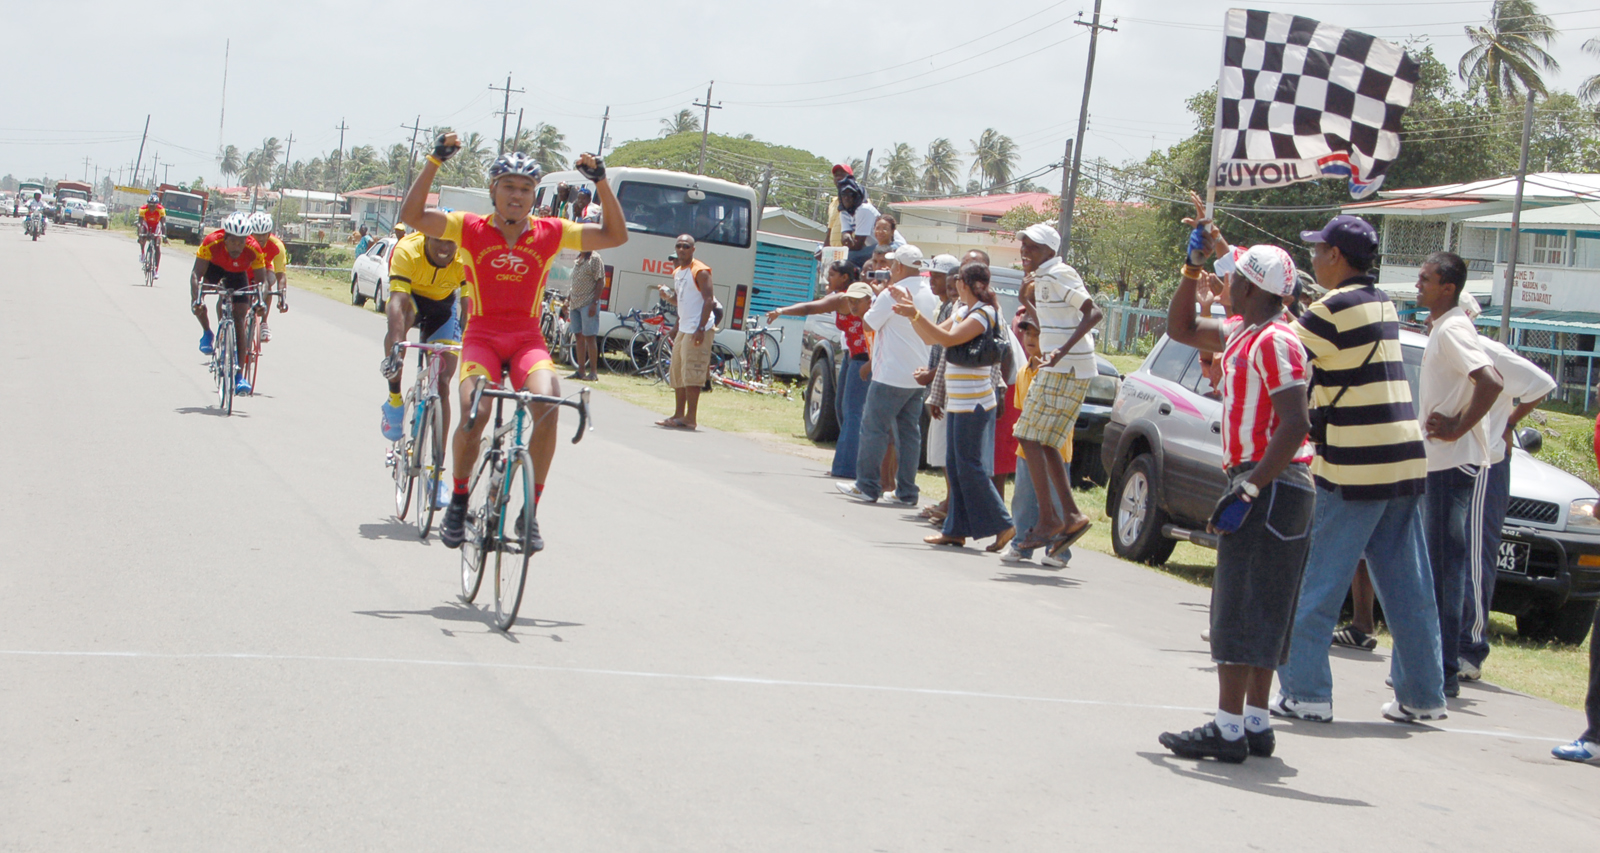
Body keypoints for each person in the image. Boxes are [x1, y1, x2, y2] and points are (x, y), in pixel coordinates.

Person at [400, 133, 628, 550]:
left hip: (527, 340)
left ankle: (530, 513)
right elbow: (412, 215)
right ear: (493, 190)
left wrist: (601, 181)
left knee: (549, 402)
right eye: (509, 187)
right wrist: (435, 159)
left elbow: (615, 235)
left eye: (525, 189)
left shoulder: (551, 232)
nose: (517, 196)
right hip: (482, 337)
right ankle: (459, 498)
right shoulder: (467, 227)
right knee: (475, 411)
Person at [1264, 211, 1448, 725]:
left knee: (1316, 581)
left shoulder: (1334, 308)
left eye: (1318, 251)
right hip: (1403, 457)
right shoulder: (1379, 302)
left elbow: (1279, 343)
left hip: (1354, 463)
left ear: (1336, 257)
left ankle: (1306, 692)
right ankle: (1423, 695)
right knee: (1408, 585)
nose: (1313, 258)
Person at [1158, 236, 1314, 763]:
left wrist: (1249, 489)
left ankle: (1227, 730)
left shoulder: (1275, 340)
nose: (1224, 286)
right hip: (1269, 483)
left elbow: (1295, 423)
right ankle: (1254, 720)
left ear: (1248, 285)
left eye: (1232, 278)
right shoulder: (1245, 332)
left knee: (1241, 606)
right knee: (1263, 604)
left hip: (1269, 482)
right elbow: (1179, 329)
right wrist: (1190, 265)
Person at [1415, 251, 1504, 698]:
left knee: (1444, 570)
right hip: (1440, 464)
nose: (1419, 286)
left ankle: (1444, 670)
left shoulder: (1453, 328)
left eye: (1426, 279)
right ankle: (1438, 666)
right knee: (1437, 567)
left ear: (1447, 288)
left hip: (1453, 466)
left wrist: (1457, 426)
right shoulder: (1441, 328)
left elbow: (1490, 380)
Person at [1454, 291, 1554, 681]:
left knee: (1475, 556)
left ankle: (1470, 647)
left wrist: (1509, 423)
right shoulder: (1441, 348)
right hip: (1447, 463)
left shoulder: (1488, 352)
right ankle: (1445, 642)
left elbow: (1542, 383)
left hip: (1483, 463)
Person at [898, 262, 1015, 548]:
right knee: (956, 463)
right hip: (958, 400)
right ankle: (956, 529)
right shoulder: (963, 310)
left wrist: (914, 313)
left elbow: (950, 338)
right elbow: (932, 337)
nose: (954, 285)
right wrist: (912, 315)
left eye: (958, 280)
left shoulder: (985, 314)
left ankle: (1004, 523)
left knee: (970, 465)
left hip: (975, 402)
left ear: (967, 284)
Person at [1013, 223, 1101, 560]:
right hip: (1061, 364)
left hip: (1067, 366)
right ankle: (1068, 516)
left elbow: (1093, 313)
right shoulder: (1045, 277)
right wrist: (1025, 301)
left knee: (1028, 434)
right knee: (1042, 439)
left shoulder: (1059, 273)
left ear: (1049, 250)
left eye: (1032, 247)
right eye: (1023, 245)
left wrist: (1062, 351)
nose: (1025, 251)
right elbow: (1053, 322)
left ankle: (1051, 518)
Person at [837, 245, 939, 505]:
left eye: (893, 265)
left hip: (890, 373)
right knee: (909, 433)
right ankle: (906, 491)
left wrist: (880, 294)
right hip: (918, 373)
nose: (889, 269)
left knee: (874, 428)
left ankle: (867, 485)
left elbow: (869, 323)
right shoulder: (930, 293)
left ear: (901, 268)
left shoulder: (893, 293)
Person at [766, 261, 874, 478]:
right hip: (850, 356)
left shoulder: (853, 299)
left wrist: (781, 310)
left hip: (864, 359)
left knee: (853, 411)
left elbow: (810, 308)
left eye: (832, 275)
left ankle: (847, 468)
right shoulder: (843, 298)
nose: (828, 280)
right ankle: (847, 461)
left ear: (845, 278)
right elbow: (815, 307)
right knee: (842, 408)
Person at [379, 228, 468, 489]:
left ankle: (437, 475)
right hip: (411, 302)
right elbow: (396, 301)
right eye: (437, 239)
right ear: (426, 237)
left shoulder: (464, 255)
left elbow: (469, 304)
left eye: (449, 241)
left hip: (444, 309)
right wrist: (396, 348)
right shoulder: (408, 248)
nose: (444, 247)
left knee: (442, 384)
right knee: (400, 326)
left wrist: (470, 340)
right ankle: (394, 400)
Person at [999, 316, 1070, 567]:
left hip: (1054, 448)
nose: (1030, 340)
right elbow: (1021, 408)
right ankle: (1022, 543)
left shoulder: (1057, 372)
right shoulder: (1023, 372)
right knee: (1023, 498)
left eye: (1037, 335)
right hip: (1027, 448)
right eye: (1027, 334)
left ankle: (1058, 550)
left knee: (1056, 500)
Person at [190, 211, 270, 395]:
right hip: (215, 269)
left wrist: (260, 301)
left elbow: (263, 281)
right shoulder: (211, 242)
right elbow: (196, 274)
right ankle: (207, 333)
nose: (237, 246)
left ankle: (239, 376)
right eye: (233, 241)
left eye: (241, 242)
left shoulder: (254, 248)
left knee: (240, 318)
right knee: (197, 306)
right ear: (224, 238)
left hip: (238, 275)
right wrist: (197, 299)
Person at [654, 234, 715, 430]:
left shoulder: (700, 271)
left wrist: (700, 328)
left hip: (698, 328)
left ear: (693, 249)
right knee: (678, 371)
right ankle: (679, 414)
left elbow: (709, 301)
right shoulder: (678, 272)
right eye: (679, 246)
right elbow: (682, 301)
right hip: (684, 327)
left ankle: (691, 417)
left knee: (692, 372)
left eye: (686, 246)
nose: (682, 249)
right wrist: (667, 297)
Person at [918, 254, 961, 522]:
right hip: (939, 385)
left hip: (949, 389)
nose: (932, 281)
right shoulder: (944, 306)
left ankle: (952, 504)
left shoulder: (960, 310)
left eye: (937, 276)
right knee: (941, 449)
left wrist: (933, 375)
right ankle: (950, 501)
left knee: (948, 451)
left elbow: (949, 347)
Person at [564, 249, 604, 381]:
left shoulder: (595, 259)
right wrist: (568, 300)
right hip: (575, 303)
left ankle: (593, 372)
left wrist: (595, 303)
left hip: (588, 303)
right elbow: (575, 283)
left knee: (590, 337)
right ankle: (581, 370)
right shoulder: (579, 258)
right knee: (578, 336)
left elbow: (600, 281)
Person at [250, 213, 290, 342]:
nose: (260, 238)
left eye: (264, 234)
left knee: (267, 283)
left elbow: (281, 275)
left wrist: (282, 298)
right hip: (246, 266)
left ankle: (264, 323)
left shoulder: (277, 246)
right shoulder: (243, 241)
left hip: (266, 267)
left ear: (269, 233)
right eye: (256, 234)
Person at [838, 179, 880, 270]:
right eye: (843, 194)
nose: (846, 198)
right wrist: (846, 236)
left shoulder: (863, 209)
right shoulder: (844, 212)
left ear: (857, 196)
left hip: (890, 245)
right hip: (872, 247)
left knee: (849, 257)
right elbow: (845, 237)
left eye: (850, 194)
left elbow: (858, 245)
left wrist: (848, 243)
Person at [137, 193, 166, 278]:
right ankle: (142, 253)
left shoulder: (161, 210)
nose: (152, 208)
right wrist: (140, 235)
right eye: (150, 206)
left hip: (155, 225)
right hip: (146, 224)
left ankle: (156, 270)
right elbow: (140, 223)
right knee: (142, 234)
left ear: (157, 205)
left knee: (157, 247)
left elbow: (163, 224)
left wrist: (164, 236)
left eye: (154, 206)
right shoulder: (143, 209)